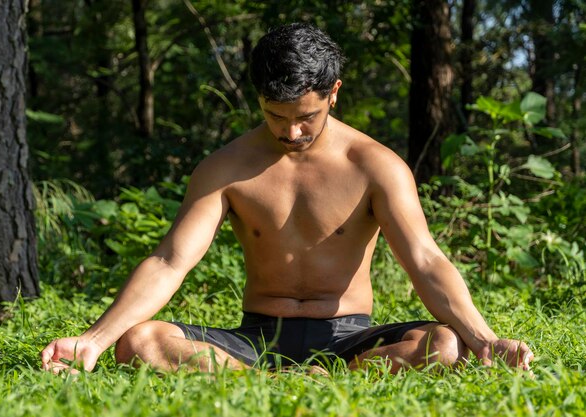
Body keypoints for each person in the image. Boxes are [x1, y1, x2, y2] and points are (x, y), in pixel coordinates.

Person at [41, 23, 533, 374]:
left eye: (307, 116)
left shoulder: (375, 166)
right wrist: (92, 340)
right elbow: (170, 261)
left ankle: (338, 372)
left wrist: (486, 340)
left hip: (349, 337)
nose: (291, 131)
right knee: (140, 342)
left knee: (444, 344)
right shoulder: (225, 167)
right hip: (255, 339)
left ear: (334, 93)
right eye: (276, 116)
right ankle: (264, 379)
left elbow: (425, 259)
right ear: (258, 98)